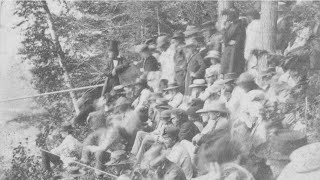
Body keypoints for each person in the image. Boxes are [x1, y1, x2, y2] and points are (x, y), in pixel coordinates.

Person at [220, 8, 246, 76]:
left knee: (231, 71)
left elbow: (225, 38)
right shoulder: (233, 25)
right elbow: (226, 41)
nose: (226, 17)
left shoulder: (237, 25)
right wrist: (227, 42)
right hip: (231, 51)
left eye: (228, 15)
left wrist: (223, 27)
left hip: (233, 52)